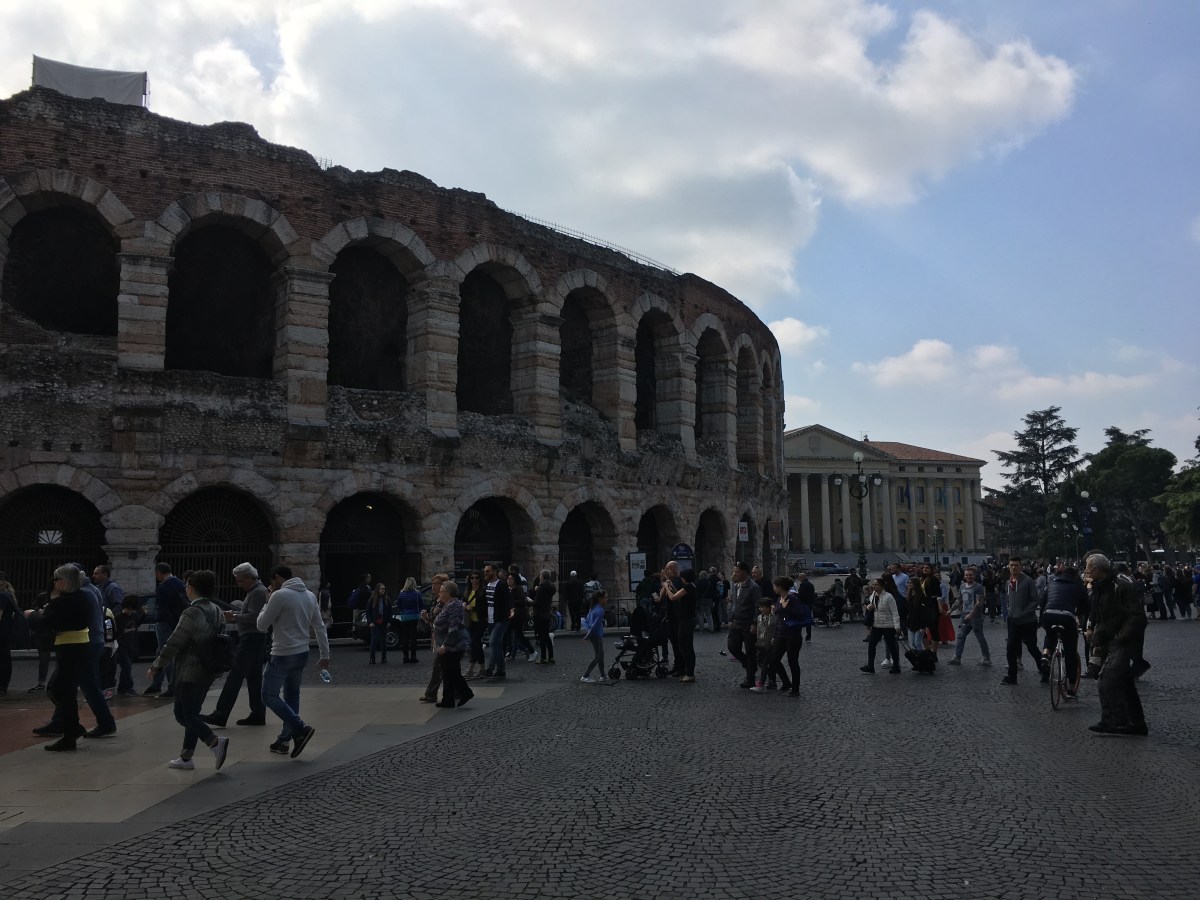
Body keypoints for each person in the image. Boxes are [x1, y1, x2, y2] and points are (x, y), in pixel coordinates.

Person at [146, 570, 230, 771]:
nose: (185, 589)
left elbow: (174, 642)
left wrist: (157, 665)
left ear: (191, 588)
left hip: (190, 670)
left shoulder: (191, 612)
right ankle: (186, 757)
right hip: (209, 668)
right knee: (192, 713)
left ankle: (214, 742)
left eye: (186, 585)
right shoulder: (216, 609)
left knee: (183, 715)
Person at [257, 565, 330, 758]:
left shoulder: (279, 596)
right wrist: (325, 654)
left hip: (282, 653)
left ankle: (300, 728)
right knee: (292, 696)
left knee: (268, 695)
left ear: (277, 578)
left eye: (272, 581)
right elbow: (319, 626)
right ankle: (284, 740)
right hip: (302, 652)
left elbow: (261, 625)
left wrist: (267, 602)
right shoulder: (309, 595)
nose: (272, 585)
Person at [30, 566, 92, 751]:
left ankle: (70, 733)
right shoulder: (82, 597)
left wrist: (32, 615)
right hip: (80, 646)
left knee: (62, 690)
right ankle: (72, 728)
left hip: (69, 647)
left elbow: (45, 623)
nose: (54, 583)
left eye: (57, 580)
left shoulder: (65, 601)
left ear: (65, 582)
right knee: (64, 689)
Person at [1085, 554, 1148, 735]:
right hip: (1109, 638)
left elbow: (1137, 616)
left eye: (1088, 567)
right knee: (1124, 682)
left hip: (1122, 640)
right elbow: (1096, 612)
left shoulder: (1120, 586)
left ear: (1096, 569)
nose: (1086, 570)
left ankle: (1117, 722)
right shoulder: (1099, 587)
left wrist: (1122, 636)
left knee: (1108, 679)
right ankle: (1135, 723)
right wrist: (1092, 629)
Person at [200, 562, 268, 727]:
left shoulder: (258, 592)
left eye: (240, 580)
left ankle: (221, 713)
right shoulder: (256, 591)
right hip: (254, 637)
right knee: (254, 677)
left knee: (235, 676)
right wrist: (236, 614)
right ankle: (258, 713)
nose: (239, 584)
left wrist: (234, 617)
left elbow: (255, 617)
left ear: (250, 577)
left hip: (252, 638)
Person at [1040, 565, 1086, 692]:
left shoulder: (1051, 584)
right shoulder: (1078, 586)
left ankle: (1046, 654)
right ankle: (1071, 686)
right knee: (1070, 651)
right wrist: (1080, 618)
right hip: (1067, 617)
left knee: (1050, 635)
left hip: (1048, 614)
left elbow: (1043, 602)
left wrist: (1041, 621)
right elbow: (1085, 606)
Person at [145, 563, 188, 697]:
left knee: (166, 654)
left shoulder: (163, 587)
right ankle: (156, 684)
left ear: (158, 573)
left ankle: (172, 686)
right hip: (179, 621)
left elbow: (163, 609)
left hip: (165, 624)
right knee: (161, 652)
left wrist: (172, 625)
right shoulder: (181, 584)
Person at [1000, 557, 1043, 685]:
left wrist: (1023, 613)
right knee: (1010, 648)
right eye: (1011, 565)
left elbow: (1035, 600)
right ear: (1009, 567)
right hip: (1013, 621)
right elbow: (1008, 599)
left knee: (1032, 648)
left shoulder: (1028, 581)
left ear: (1021, 567)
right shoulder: (1008, 582)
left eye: (1016, 565)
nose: (1014, 567)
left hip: (1028, 621)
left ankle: (1045, 670)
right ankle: (1012, 676)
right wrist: (1010, 612)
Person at [433, 581, 472, 708]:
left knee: (452, 672)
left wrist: (446, 644)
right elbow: (437, 619)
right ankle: (448, 699)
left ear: (448, 593)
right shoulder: (447, 605)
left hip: (454, 645)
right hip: (447, 644)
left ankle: (466, 692)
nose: (439, 593)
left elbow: (454, 626)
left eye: (442, 591)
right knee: (447, 673)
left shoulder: (455, 605)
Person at [726, 561, 762, 689]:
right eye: (734, 571)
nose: (734, 573)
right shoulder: (736, 586)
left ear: (744, 572)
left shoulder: (753, 587)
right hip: (737, 622)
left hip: (748, 623)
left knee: (750, 650)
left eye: (737, 571)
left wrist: (754, 623)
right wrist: (730, 619)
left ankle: (750, 678)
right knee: (732, 646)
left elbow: (757, 606)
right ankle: (748, 664)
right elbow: (734, 605)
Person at [770, 576, 807, 695]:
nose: (774, 588)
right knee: (774, 660)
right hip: (781, 634)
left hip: (793, 635)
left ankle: (796, 689)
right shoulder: (779, 599)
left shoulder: (793, 598)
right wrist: (774, 635)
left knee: (792, 662)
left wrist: (786, 609)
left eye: (775, 586)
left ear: (780, 587)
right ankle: (786, 682)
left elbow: (800, 615)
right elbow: (778, 618)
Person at [948, 566, 991, 666]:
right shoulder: (962, 586)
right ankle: (957, 657)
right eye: (967, 575)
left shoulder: (978, 587)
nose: (968, 576)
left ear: (974, 575)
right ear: (964, 576)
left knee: (980, 637)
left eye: (970, 575)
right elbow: (959, 600)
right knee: (960, 636)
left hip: (976, 616)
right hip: (964, 614)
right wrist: (951, 610)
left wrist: (971, 614)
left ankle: (986, 658)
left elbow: (980, 603)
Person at [661, 564, 697, 683]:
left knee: (684, 647)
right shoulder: (691, 586)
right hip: (687, 620)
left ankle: (690, 674)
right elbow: (679, 595)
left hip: (685, 621)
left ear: (685, 578)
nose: (681, 579)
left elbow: (673, 598)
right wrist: (671, 586)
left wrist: (666, 587)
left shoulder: (688, 587)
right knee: (688, 647)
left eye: (682, 578)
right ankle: (689, 672)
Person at [861, 578, 902, 675]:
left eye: (876, 584)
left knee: (892, 646)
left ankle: (896, 666)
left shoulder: (889, 597)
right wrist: (869, 607)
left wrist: (897, 627)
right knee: (872, 645)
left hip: (888, 626)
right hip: (877, 625)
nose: (874, 586)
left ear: (882, 586)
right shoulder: (873, 595)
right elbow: (872, 607)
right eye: (873, 584)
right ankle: (870, 666)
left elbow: (895, 612)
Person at [484, 565, 512, 680]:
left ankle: (490, 668)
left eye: (488, 571)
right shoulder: (486, 585)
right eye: (485, 571)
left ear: (494, 572)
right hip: (490, 619)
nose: (485, 573)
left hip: (501, 619)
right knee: (497, 645)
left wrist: (511, 610)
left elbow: (508, 599)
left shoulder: (501, 584)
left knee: (493, 642)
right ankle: (501, 670)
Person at [113, 595, 142, 696]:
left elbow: (138, 623)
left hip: (131, 644)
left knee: (126, 668)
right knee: (126, 667)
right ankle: (129, 687)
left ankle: (122, 688)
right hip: (121, 646)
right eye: (130, 609)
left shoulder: (134, 616)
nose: (130, 611)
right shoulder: (118, 618)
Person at [580, 590, 608, 683]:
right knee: (598, 656)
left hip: (593, 634)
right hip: (596, 634)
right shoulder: (600, 610)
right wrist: (587, 637)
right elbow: (595, 625)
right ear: (600, 599)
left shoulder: (592, 608)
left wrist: (588, 634)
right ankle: (585, 675)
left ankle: (603, 675)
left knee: (601, 654)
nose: (606, 599)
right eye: (605, 598)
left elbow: (587, 622)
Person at [749, 597, 777, 692]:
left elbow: (772, 625)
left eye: (763, 607)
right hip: (761, 643)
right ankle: (772, 681)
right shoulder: (759, 617)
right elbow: (759, 631)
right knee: (763, 663)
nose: (761, 609)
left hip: (770, 644)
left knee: (765, 664)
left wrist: (773, 613)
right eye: (760, 607)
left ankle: (761, 684)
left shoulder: (773, 617)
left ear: (769, 607)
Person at [463, 573, 486, 677]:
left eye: (477, 578)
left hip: (480, 621)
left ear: (480, 579)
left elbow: (485, 607)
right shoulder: (468, 591)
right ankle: (482, 668)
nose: (474, 580)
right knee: (477, 644)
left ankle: (471, 668)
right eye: (472, 578)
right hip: (470, 621)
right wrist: (464, 604)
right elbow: (463, 601)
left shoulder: (483, 592)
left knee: (474, 643)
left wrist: (473, 608)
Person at [395, 577, 423, 664]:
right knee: (413, 638)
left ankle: (405, 657)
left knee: (405, 637)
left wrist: (403, 611)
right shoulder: (417, 593)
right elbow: (421, 605)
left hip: (404, 617)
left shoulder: (401, 593)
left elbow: (399, 605)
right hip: (414, 616)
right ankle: (413, 656)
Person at [532, 569, 557, 664]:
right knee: (546, 636)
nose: (539, 577)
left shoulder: (541, 587)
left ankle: (543, 657)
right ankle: (551, 657)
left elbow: (537, 602)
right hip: (547, 613)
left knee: (541, 636)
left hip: (539, 613)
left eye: (540, 576)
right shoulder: (551, 587)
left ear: (542, 577)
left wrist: (530, 601)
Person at [367, 582, 393, 664]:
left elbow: (390, 611)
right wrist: (370, 622)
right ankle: (372, 658)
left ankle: (384, 658)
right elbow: (368, 611)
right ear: (378, 589)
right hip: (375, 623)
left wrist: (389, 621)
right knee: (374, 640)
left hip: (384, 622)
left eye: (384, 589)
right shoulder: (372, 599)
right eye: (381, 589)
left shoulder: (387, 599)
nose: (383, 590)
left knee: (383, 641)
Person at [0, 576, 18, 694]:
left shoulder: (2, 596)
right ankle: (3, 685)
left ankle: (2, 686)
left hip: (1, 631)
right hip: (6, 631)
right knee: (4, 658)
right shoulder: (8, 595)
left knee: (3, 658)